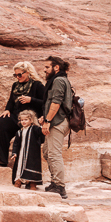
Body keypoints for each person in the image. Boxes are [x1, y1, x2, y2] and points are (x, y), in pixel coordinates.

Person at [0, 62, 46, 166]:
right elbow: (11, 100)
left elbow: (46, 102)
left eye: (20, 74)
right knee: (0, 122)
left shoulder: (37, 85)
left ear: (28, 72)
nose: (17, 77)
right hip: (17, 116)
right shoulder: (16, 85)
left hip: (31, 118)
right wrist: (7, 110)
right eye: (15, 75)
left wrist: (31, 100)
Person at [39, 56, 73, 197]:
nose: (44, 70)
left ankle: (59, 186)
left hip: (57, 122)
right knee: (47, 152)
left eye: (47, 67)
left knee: (54, 154)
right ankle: (55, 182)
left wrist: (47, 120)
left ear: (56, 67)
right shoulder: (60, 79)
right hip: (56, 120)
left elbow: (56, 102)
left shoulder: (58, 80)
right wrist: (44, 116)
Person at [10, 109, 44, 189]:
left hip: (32, 154)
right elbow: (16, 144)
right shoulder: (19, 132)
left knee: (32, 167)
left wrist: (42, 125)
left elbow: (42, 136)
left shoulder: (35, 129)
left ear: (31, 120)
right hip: (21, 154)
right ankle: (18, 181)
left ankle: (32, 183)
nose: (23, 121)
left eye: (26, 119)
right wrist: (14, 153)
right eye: (22, 120)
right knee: (19, 167)